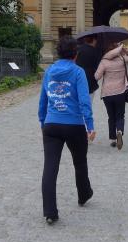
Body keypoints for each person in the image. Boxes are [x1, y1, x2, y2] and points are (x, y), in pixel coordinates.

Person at [38, 36, 96, 225]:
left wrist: (43, 122)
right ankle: (83, 194)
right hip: (74, 125)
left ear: (58, 53)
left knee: (50, 167)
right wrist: (90, 125)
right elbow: (84, 101)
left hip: (52, 125)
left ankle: (50, 211)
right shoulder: (78, 72)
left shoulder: (49, 71)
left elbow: (43, 100)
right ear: (75, 54)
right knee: (80, 162)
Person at [94, 43, 128, 151]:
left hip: (107, 94)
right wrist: (124, 48)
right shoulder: (122, 59)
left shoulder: (104, 61)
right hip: (120, 92)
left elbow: (96, 77)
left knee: (111, 116)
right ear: (117, 50)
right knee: (120, 115)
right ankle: (119, 131)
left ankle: (113, 139)